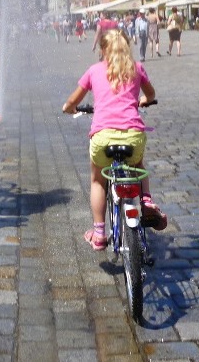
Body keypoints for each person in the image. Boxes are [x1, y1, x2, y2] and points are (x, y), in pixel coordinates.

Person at [62, 28, 167, 250]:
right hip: (133, 136)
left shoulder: (94, 71)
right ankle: (146, 200)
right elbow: (151, 94)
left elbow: (73, 100)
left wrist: (69, 108)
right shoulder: (137, 68)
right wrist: (144, 100)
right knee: (138, 164)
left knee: (98, 180)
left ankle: (99, 232)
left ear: (102, 50)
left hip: (102, 137)